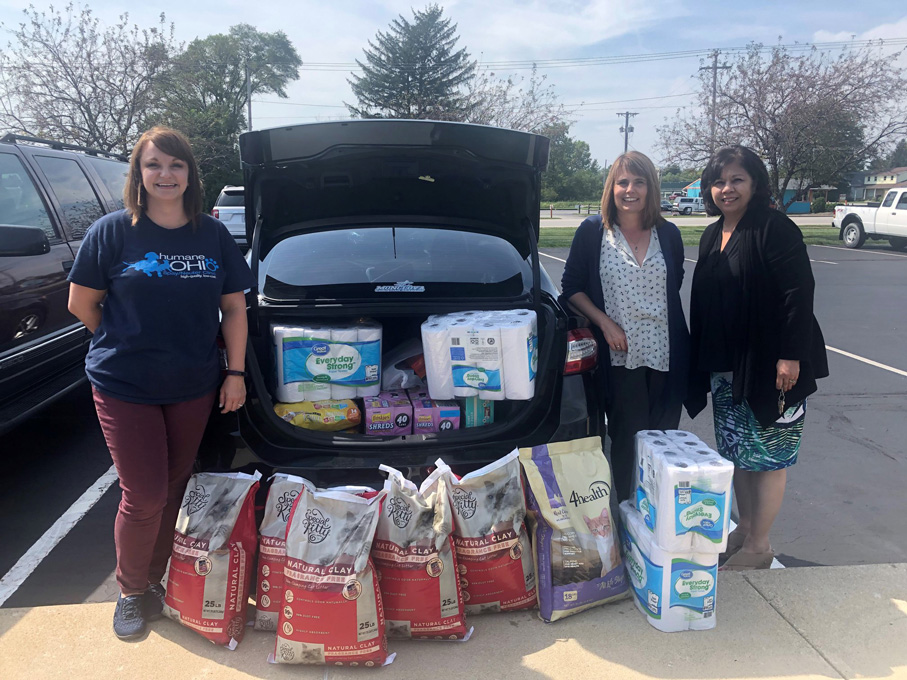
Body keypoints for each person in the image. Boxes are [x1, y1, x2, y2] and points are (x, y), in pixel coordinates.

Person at [67, 126, 255, 639]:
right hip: (124, 384)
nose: (165, 175)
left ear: (190, 173)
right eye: (154, 165)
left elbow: (234, 308)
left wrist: (234, 373)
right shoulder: (112, 232)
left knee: (174, 485)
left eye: (176, 165)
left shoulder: (212, 234)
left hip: (193, 383)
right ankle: (129, 591)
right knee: (144, 493)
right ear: (139, 174)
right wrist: (123, 341)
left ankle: (155, 579)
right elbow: (81, 303)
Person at [686, 145, 828, 571]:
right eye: (719, 181)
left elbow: (798, 294)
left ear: (754, 183)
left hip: (773, 367)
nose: (726, 189)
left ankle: (760, 547)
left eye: (736, 180)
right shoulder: (714, 233)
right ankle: (744, 529)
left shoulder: (773, 228)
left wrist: (790, 356)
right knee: (738, 453)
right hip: (729, 367)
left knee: (768, 456)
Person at [561, 151, 690, 502]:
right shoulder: (593, 232)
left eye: (639, 182)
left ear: (651, 188)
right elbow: (571, 287)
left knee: (663, 446)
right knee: (628, 440)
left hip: (665, 353)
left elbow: (672, 285)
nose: (630, 189)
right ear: (611, 188)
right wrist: (605, 324)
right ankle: (627, 513)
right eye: (623, 182)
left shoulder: (669, 234)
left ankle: (657, 521)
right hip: (621, 357)